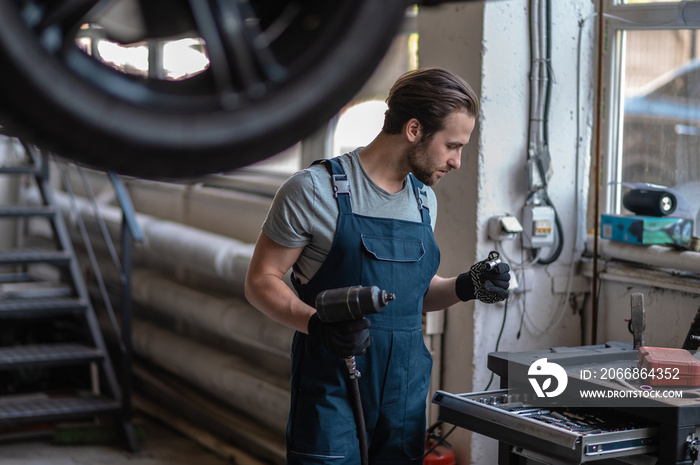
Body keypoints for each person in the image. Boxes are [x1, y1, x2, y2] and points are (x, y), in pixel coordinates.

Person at [245, 67, 511, 465]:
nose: (457, 162)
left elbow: (412, 296)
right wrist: (317, 324)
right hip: (332, 391)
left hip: (403, 396)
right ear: (414, 129)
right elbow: (260, 281)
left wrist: (466, 285)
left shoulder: (423, 201)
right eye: (452, 146)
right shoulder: (314, 190)